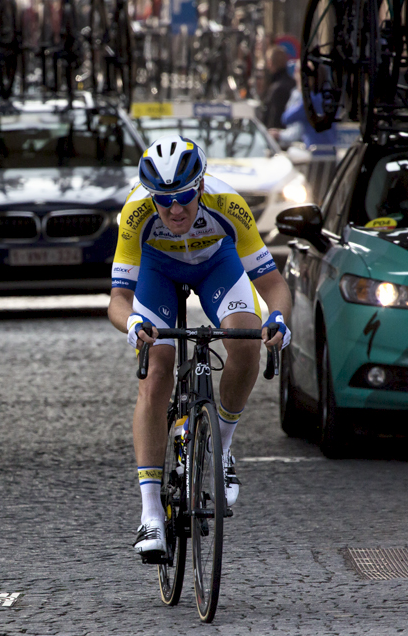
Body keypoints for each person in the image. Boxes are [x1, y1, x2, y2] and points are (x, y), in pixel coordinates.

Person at [108, 135, 292, 559]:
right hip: (158, 271)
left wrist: (278, 319)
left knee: (244, 337)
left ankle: (221, 448)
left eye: (185, 198)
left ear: (202, 186)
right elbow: (118, 299)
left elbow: (273, 284)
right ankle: (151, 515)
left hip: (215, 264)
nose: (174, 210)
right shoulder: (136, 214)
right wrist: (133, 323)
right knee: (157, 368)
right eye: (163, 200)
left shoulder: (228, 206)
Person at [260, 45, 296, 130]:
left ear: (270, 63)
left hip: (278, 137)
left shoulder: (277, 88)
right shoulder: (293, 83)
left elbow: (273, 121)